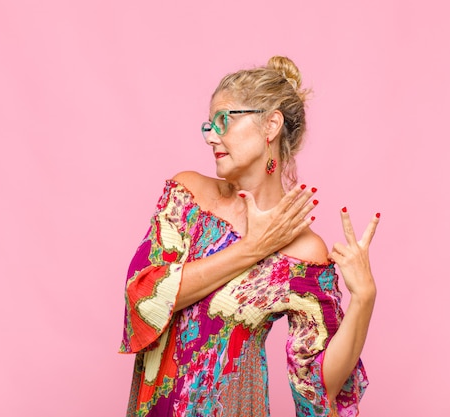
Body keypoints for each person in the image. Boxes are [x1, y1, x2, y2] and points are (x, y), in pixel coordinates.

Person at [119, 56, 380, 417]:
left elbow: (319, 384)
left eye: (224, 120)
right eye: (208, 125)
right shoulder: (188, 196)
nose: (212, 135)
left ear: (270, 124)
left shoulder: (302, 250)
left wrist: (364, 297)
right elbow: (144, 296)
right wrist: (254, 248)